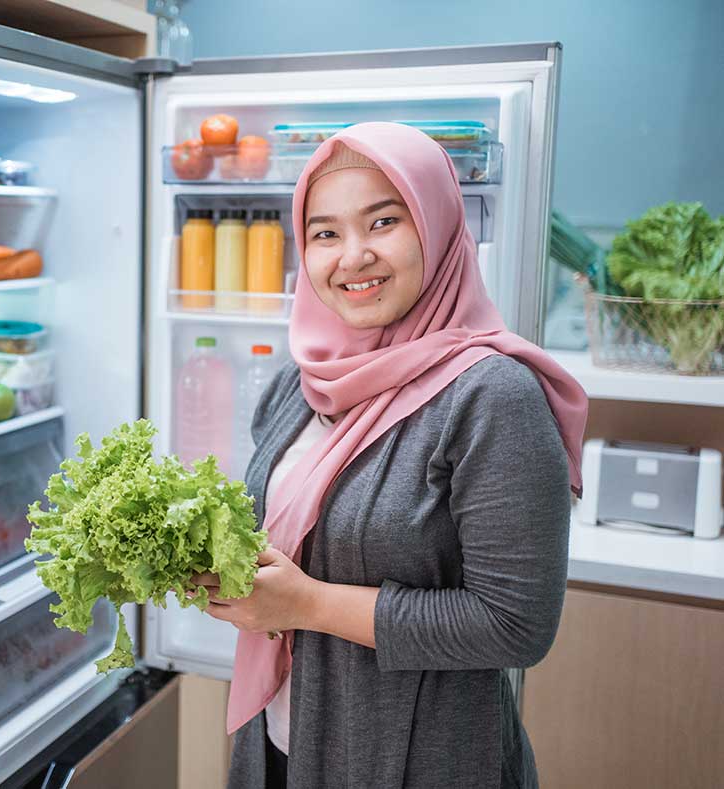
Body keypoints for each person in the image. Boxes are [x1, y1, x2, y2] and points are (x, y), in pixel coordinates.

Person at [193, 122, 588, 788]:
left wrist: (307, 604)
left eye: (382, 222)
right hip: (284, 743)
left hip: (415, 759)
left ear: (435, 228)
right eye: (324, 232)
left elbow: (515, 626)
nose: (351, 256)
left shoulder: (492, 396)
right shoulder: (304, 379)